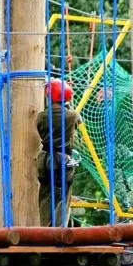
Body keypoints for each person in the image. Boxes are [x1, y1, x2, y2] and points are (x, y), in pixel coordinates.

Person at [36, 78, 80, 227]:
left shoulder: (41, 117)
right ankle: (60, 230)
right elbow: (78, 122)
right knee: (63, 196)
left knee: (46, 195)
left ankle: (45, 229)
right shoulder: (72, 116)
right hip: (63, 160)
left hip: (45, 160)